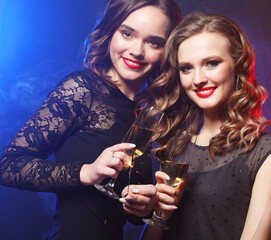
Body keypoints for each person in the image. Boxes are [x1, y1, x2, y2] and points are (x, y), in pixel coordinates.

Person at [0, 0, 181, 239]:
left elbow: (131, 217)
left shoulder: (145, 114)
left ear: (166, 51)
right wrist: (86, 172)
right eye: (127, 34)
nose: (137, 50)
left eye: (154, 42)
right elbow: (9, 166)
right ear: (110, 33)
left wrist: (143, 207)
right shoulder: (82, 90)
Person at [138, 12, 271, 240]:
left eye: (211, 63)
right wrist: (161, 214)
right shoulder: (175, 145)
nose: (198, 79)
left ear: (238, 64)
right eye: (186, 68)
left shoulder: (267, 153)